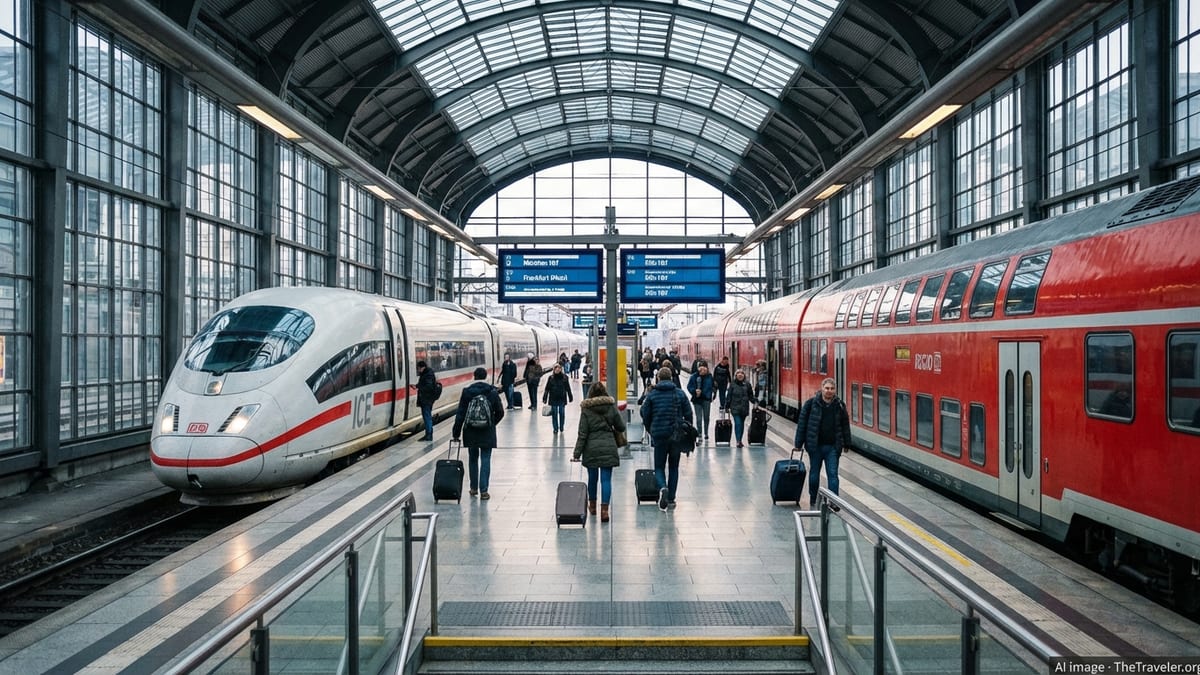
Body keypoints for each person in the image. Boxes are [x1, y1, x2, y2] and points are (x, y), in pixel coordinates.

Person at [793, 378, 852, 510]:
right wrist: (798, 443)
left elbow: (845, 426)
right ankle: (813, 498)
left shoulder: (840, 405)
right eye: (827, 388)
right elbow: (802, 424)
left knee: (833, 474)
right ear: (822, 388)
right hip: (815, 446)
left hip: (832, 447)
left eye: (832, 388)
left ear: (835, 390)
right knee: (814, 473)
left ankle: (834, 501)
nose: (829, 391)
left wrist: (847, 443)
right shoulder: (810, 404)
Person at [571, 381, 625, 523]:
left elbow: (582, 434)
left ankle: (593, 507)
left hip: (591, 449)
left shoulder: (586, 410)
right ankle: (605, 511)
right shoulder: (611, 407)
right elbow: (621, 426)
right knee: (606, 479)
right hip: (608, 446)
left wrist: (577, 453)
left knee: (592, 478)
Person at [641, 366, 692, 511]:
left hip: (659, 435)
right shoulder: (680, 394)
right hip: (676, 435)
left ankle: (663, 487)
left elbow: (645, 414)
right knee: (674, 467)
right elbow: (689, 413)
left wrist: (650, 429)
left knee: (659, 466)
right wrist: (688, 431)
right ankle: (671, 498)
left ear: (658, 378)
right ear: (671, 378)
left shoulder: (652, 395)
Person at [452, 367, 505, 499]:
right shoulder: (492, 391)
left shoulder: (467, 392)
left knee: (473, 459)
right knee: (486, 459)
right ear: (486, 376)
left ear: (474, 377)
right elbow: (500, 412)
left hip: (471, 432)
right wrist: (491, 424)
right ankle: (484, 491)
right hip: (487, 432)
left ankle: (473, 488)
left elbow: (460, 414)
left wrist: (456, 432)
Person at [726, 369, 756, 448]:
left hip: (744, 408)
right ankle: (738, 441)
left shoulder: (747, 384)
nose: (740, 375)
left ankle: (740, 440)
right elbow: (729, 396)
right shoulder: (732, 385)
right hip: (735, 408)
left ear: (744, 375)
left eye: (742, 373)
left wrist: (755, 402)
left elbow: (750, 396)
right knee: (738, 423)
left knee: (742, 424)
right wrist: (727, 406)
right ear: (735, 376)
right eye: (738, 373)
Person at [686, 363, 715, 442]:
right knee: (699, 418)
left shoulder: (709, 377)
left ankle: (706, 433)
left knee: (706, 417)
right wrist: (694, 391)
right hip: (697, 399)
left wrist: (712, 394)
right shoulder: (694, 376)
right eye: (701, 368)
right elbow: (689, 386)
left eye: (705, 368)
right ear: (698, 369)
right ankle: (699, 433)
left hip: (706, 399)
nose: (703, 370)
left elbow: (713, 386)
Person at [543, 363, 574, 433]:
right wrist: (545, 397)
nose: (557, 369)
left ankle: (562, 426)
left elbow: (568, 388)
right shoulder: (550, 378)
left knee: (562, 412)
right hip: (553, 398)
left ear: (561, 369)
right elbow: (547, 388)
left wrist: (570, 396)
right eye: (556, 368)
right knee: (554, 413)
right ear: (554, 370)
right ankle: (555, 428)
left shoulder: (565, 377)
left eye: (559, 368)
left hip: (562, 398)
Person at [412, 360, 439, 441]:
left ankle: (429, 435)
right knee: (427, 416)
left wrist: (418, 387)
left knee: (427, 417)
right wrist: (416, 386)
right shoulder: (427, 373)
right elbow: (424, 384)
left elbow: (428, 387)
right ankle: (428, 434)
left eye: (418, 369)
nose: (418, 370)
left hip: (426, 399)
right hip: (427, 399)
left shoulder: (428, 374)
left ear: (422, 367)